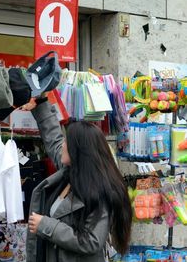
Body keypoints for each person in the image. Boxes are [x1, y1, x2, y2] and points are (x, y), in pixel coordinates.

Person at [21, 95, 132, 262]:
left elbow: (91, 241)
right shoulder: (71, 173)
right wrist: (40, 106)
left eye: (67, 142)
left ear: (78, 150)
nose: (63, 145)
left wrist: (46, 225)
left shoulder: (100, 192)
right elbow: (54, 140)